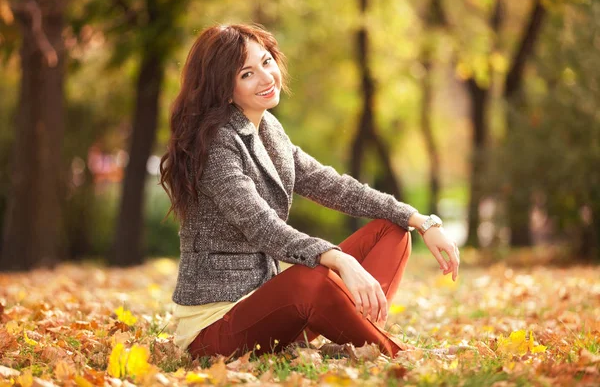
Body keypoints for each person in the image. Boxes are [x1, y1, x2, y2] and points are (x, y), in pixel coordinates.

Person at [159, 24, 460, 359]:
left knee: (391, 230)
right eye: (247, 74)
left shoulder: (269, 129)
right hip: (217, 328)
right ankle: (393, 352)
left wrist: (420, 221)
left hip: (269, 312)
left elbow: (334, 186)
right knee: (310, 280)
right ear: (224, 89)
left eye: (266, 61)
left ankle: (356, 340)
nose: (266, 77)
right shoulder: (216, 143)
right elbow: (262, 227)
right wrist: (338, 258)